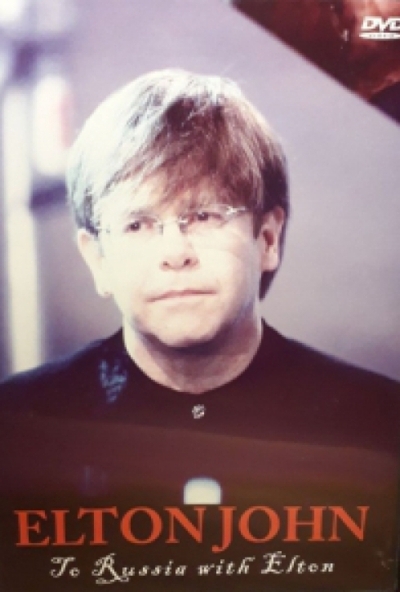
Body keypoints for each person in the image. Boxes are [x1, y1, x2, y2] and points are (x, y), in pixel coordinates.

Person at [0, 69, 399, 591]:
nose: (175, 253)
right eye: (138, 224)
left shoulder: (382, 427)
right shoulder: (14, 432)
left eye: (205, 215)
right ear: (97, 259)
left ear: (267, 238)